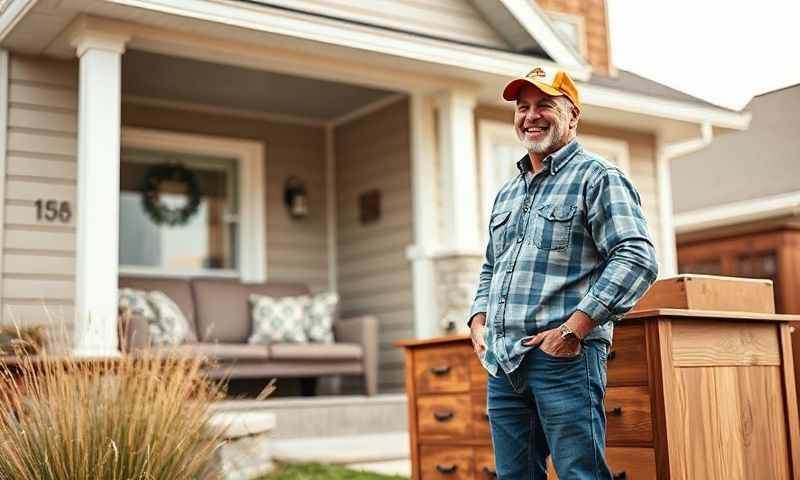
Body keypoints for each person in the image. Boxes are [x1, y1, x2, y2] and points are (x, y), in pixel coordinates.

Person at [468, 66, 659, 479]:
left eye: (544, 106)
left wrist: (572, 330)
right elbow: (491, 266)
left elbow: (637, 257)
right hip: (503, 363)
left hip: (564, 361)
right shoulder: (508, 192)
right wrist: (478, 320)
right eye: (523, 107)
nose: (531, 116)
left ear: (572, 115)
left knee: (580, 474)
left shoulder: (599, 177)